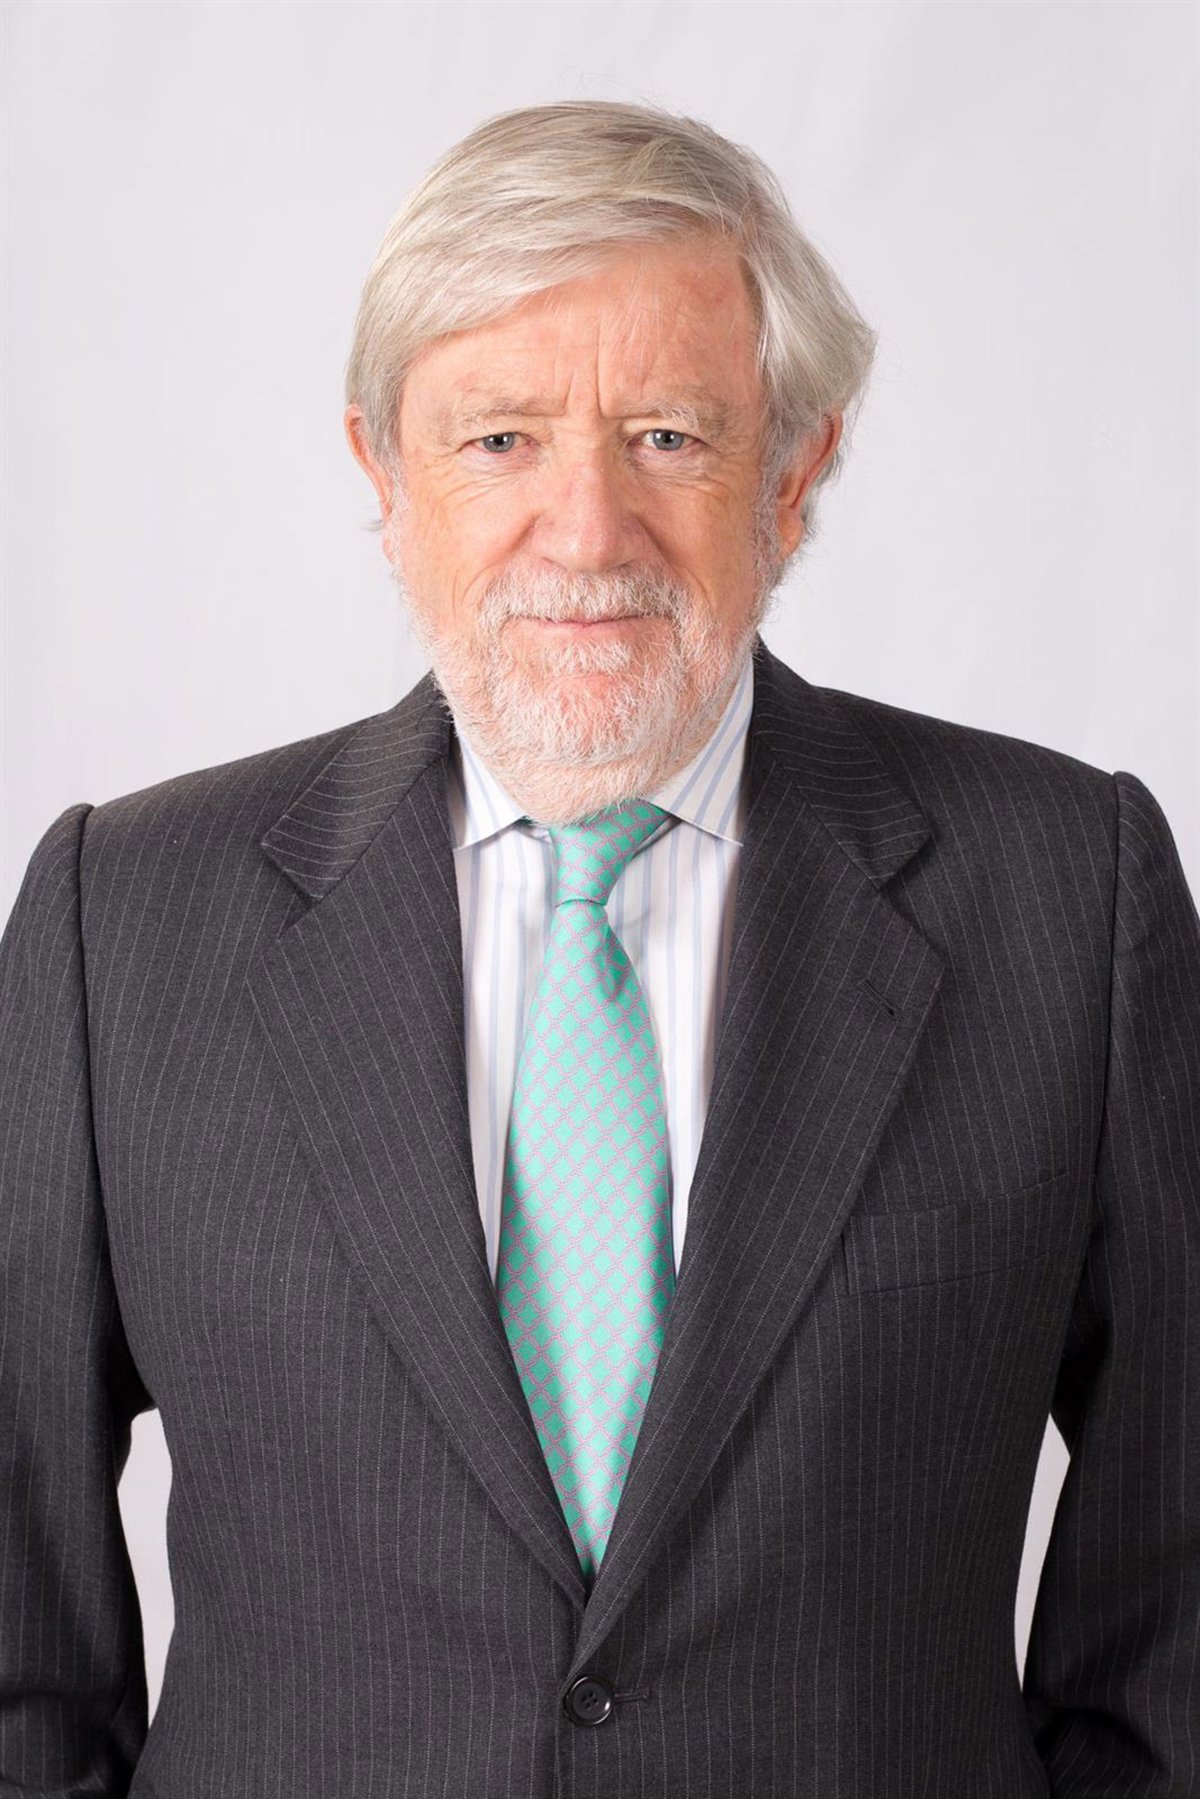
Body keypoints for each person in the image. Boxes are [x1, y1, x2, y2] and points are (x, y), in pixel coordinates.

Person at [1, 98, 1196, 1799]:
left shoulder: (1070, 895)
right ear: (384, 473)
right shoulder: (119, 921)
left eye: (667, 437)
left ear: (795, 472)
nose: (585, 531)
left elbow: (1177, 1608)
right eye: (499, 440)